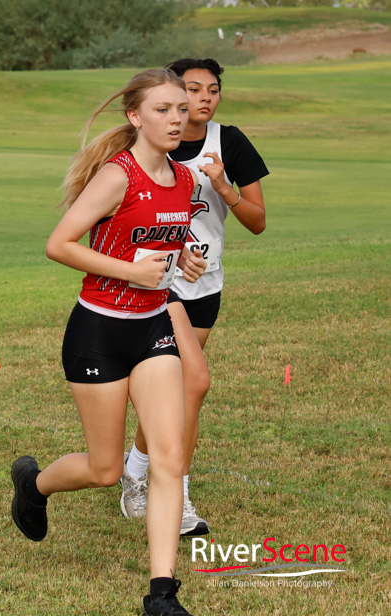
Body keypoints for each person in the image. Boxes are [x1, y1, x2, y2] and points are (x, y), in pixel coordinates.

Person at [10, 69, 206, 616]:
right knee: (105, 470)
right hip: (97, 331)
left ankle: (162, 595)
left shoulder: (185, 179)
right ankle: (34, 484)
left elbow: (168, 238)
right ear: (135, 117)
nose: (177, 118)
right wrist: (129, 270)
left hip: (152, 327)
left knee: (168, 458)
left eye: (181, 108)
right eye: (163, 109)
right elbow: (59, 244)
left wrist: (185, 256)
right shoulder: (117, 176)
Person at [121, 59, 268, 537]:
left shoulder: (230, 141)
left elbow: (257, 221)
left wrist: (223, 184)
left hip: (206, 285)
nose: (203, 99)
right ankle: (177, 496)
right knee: (194, 383)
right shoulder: (150, 139)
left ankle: (137, 470)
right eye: (191, 91)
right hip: (159, 286)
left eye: (213, 90)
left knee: (175, 387)